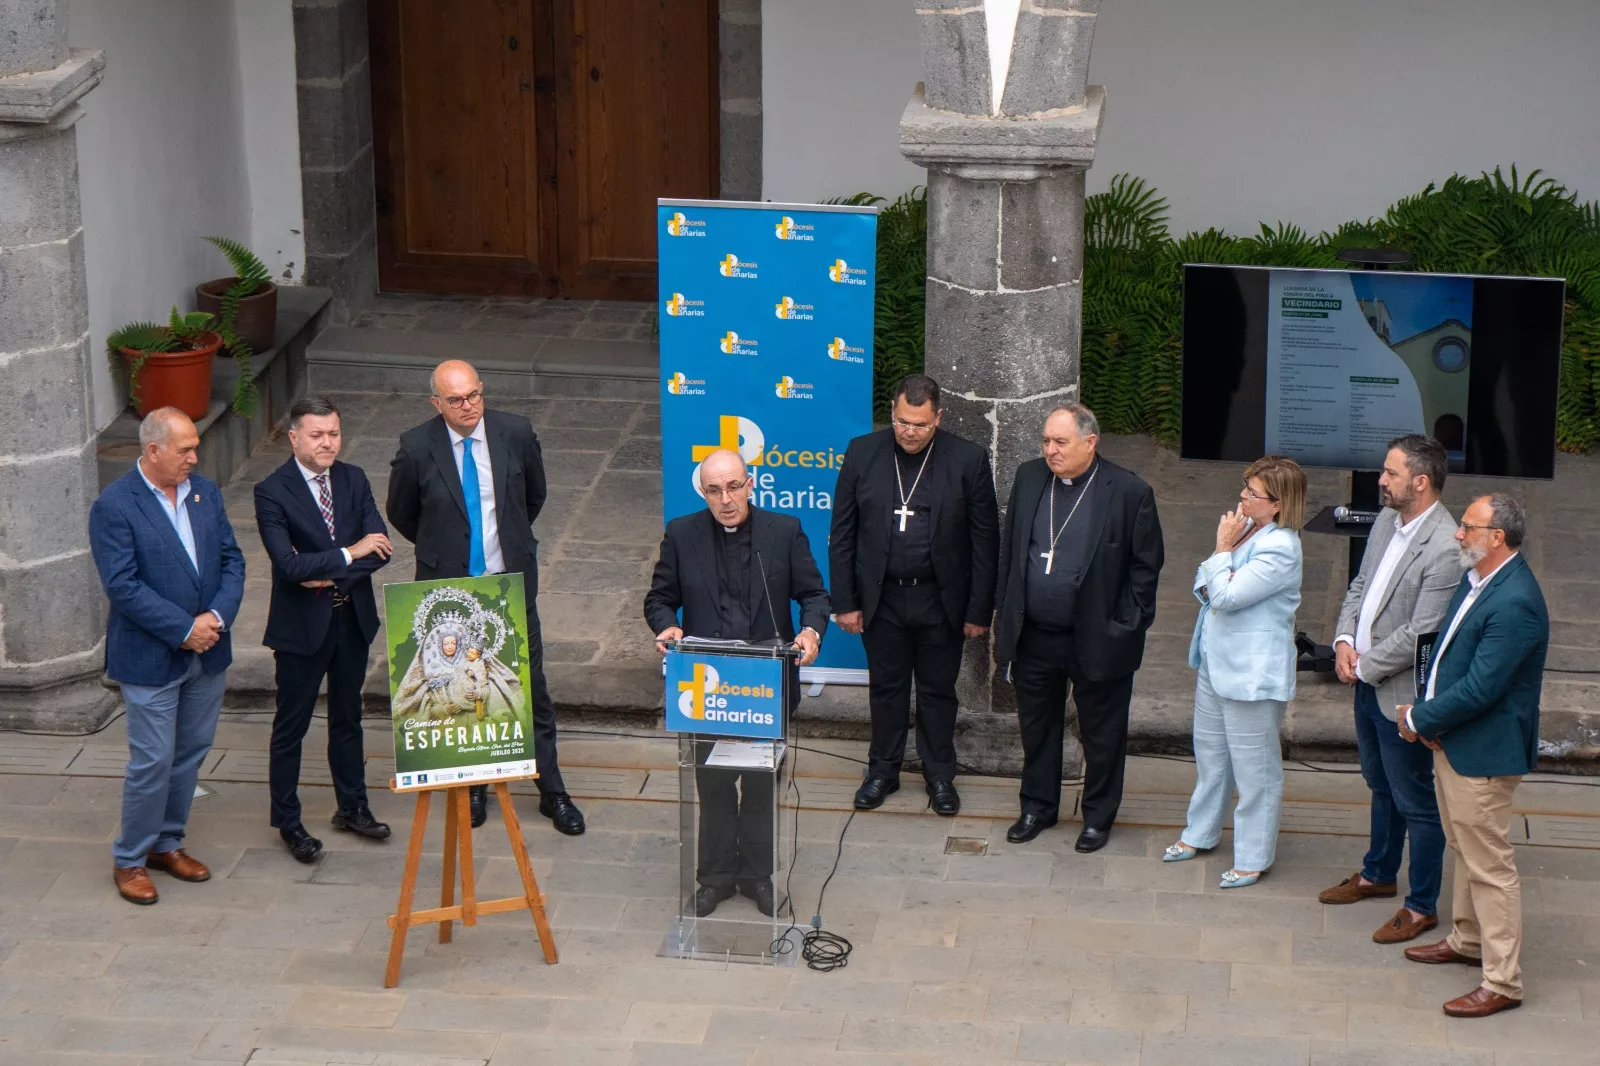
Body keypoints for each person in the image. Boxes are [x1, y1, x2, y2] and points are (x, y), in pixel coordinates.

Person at [386, 360, 583, 835]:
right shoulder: (416, 447)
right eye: (455, 400)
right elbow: (402, 514)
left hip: (507, 586)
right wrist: (444, 550)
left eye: (474, 395)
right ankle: (472, 786)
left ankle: (551, 789)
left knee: (530, 687)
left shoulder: (515, 433)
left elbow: (534, 497)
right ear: (437, 403)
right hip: (449, 591)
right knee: (459, 689)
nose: (468, 406)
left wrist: (506, 543)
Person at [644, 449, 829, 917]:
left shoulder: (783, 531)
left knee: (762, 786)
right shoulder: (682, 534)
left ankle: (758, 877)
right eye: (714, 490)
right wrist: (667, 626)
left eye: (733, 487)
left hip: (765, 683)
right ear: (703, 493)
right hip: (707, 687)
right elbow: (659, 599)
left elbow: (813, 594)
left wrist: (810, 630)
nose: (725, 500)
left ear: (750, 485)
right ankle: (716, 879)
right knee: (714, 785)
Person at [1398, 493, 1548, 1019]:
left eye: (1468, 526)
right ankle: (1466, 940)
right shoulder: (1477, 578)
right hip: (1455, 739)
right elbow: (1449, 658)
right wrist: (1434, 717)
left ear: (1497, 538)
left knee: (1490, 866)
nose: (1458, 534)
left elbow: (1484, 687)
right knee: (1464, 848)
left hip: (1483, 752)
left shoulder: (1516, 601)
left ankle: (1503, 981)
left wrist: (1421, 719)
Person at [89, 408, 246, 905]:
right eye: (185, 449)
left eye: (195, 447)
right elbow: (122, 585)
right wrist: (183, 629)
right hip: (151, 658)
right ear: (153, 450)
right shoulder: (115, 506)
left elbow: (232, 560)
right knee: (153, 760)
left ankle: (166, 843)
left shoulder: (205, 493)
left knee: (190, 753)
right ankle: (130, 859)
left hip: (208, 650)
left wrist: (215, 618)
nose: (194, 457)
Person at [993, 404, 1164, 851]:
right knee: (1037, 727)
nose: (1050, 450)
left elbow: (1146, 568)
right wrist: (1005, 611)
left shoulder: (1128, 491)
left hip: (1098, 637)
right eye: (1046, 441)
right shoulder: (1030, 477)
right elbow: (1012, 550)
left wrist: (1128, 624)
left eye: (1060, 442)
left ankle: (1097, 817)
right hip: (1034, 635)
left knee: (1102, 733)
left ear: (1090, 442)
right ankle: (1037, 807)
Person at [829, 374, 998, 816]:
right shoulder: (862, 452)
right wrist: (845, 601)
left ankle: (939, 776)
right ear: (892, 411)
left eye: (920, 425)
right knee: (886, 688)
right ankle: (882, 772)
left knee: (938, 691)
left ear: (937, 418)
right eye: (903, 421)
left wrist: (979, 609)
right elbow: (842, 533)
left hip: (940, 600)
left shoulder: (967, 459)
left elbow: (985, 542)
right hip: (882, 598)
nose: (909, 432)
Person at [1319, 435, 1462, 944]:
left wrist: (1363, 666)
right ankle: (1378, 873)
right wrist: (1342, 640)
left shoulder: (1446, 546)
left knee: (1416, 801)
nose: (1381, 480)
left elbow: (1421, 631)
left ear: (1420, 483)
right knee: (1380, 785)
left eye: (1391, 473)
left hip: (1400, 694)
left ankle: (1421, 906)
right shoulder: (1385, 519)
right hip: (1364, 680)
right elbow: (1360, 586)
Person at [254, 397, 394, 863]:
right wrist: (351, 552)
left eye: (334, 433)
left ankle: (353, 807)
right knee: (290, 726)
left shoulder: (353, 478)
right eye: (317, 435)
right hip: (301, 628)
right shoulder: (272, 491)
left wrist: (330, 570)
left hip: (351, 619)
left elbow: (381, 550)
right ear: (294, 437)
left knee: (348, 717)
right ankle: (288, 822)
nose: (328, 442)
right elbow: (289, 566)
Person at [1164, 457, 1305, 888]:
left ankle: (1253, 856)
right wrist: (1223, 560)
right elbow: (1203, 585)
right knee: (1211, 757)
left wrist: (1222, 550)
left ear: (1277, 503)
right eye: (1245, 487)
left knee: (1255, 770)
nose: (1242, 496)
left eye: (1252, 492)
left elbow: (1223, 596)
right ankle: (1200, 832)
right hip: (1216, 660)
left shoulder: (1281, 546)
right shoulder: (1249, 531)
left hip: (1251, 674)